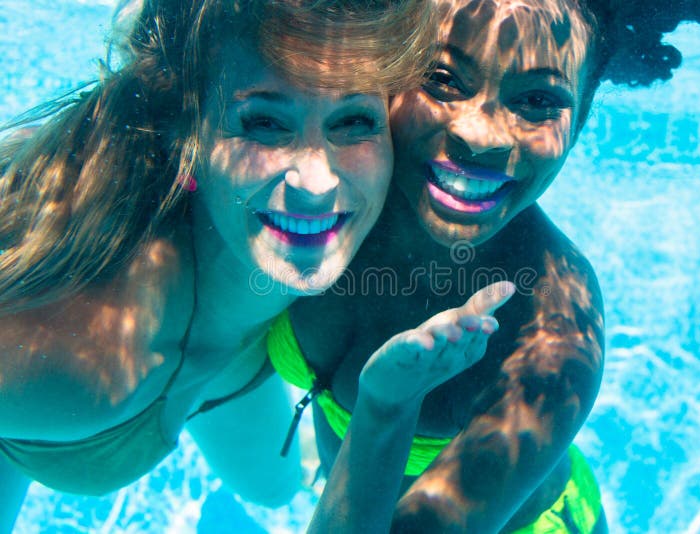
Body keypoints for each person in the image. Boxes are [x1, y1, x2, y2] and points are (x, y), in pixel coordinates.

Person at [286, 0, 700, 531]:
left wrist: (387, 408)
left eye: (536, 100)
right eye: (441, 78)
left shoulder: (555, 336)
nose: (481, 135)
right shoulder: (311, 194)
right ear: (385, 67)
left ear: (583, 119)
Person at [0, 0, 443, 530]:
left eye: (352, 120)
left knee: (275, 489)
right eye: (264, 124)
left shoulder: (394, 188)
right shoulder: (64, 347)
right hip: (60, 418)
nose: (318, 183)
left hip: (234, 352)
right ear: (186, 132)